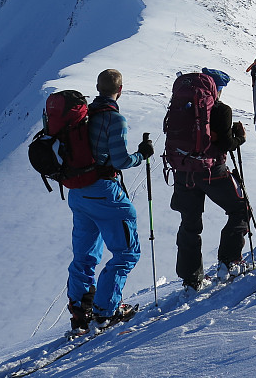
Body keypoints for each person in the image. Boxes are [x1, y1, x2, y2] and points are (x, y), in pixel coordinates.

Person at [66, 69, 153, 334]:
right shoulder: (115, 119)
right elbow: (120, 161)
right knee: (126, 253)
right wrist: (141, 154)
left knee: (84, 255)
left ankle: (81, 312)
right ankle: (106, 311)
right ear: (121, 89)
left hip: (78, 193)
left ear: (97, 87)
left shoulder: (82, 118)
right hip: (104, 193)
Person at [169, 68, 250, 291]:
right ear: (217, 88)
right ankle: (230, 260)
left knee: (190, 223)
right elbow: (225, 144)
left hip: (184, 172)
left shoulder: (181, 106)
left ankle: (191, 278)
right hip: (212, 172)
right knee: (239, 208)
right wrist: (239, 138)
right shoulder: (221, 110)